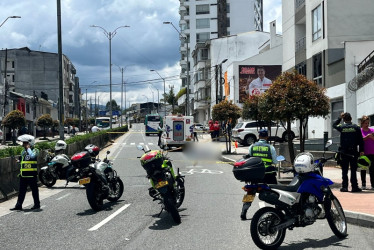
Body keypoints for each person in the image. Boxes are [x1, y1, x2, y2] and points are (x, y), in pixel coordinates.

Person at [240, 129, 278, 220]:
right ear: (267, 137)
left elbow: (249, 159)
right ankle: (278, 211)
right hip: (268, 175)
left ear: (258, 136)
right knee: (277, 192)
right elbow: (275, 161)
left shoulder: (252, 147)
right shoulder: (270, 148)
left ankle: (243, 211)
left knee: (250, 193)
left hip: (255, 175)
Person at [333, 112, 364, 192]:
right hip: (353, 152)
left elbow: (334, 125)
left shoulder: (342, 127)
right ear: (351, 118)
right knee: (353, 170)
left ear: (344, 119)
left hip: (344, 152)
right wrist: (361, 150)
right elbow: (361, 140)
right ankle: (354, 187)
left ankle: (345, 187)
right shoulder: (356, 127)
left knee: (344, 170)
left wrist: (339, 118)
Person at [10, 134, 40, 211]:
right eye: (23, 143)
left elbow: (32, 156)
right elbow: (24, 160)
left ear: (29, 143)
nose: (23, 144)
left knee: (34, 191)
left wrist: (29, 149)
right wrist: (18, 161)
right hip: (23, 175)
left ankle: (37, 205)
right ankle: (18, 205)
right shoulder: (23, 151)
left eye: (25, 143)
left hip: (32, 175)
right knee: (21, 191)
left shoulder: (35, 150)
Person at [360, 115, 374, 189]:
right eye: (365, 123)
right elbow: (359, 140)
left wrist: (372, 137)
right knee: (363, 169)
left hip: (373, 152)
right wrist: (367, 137)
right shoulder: (360, 131)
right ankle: (363, 184)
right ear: (362, 123)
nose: (367, 125)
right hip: (364, 153)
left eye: (368, 123)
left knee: (372, 169)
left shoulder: (372, 130)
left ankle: (373, 185)